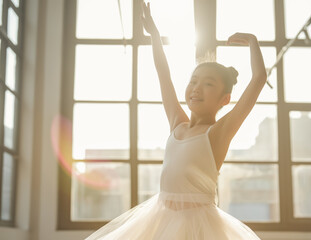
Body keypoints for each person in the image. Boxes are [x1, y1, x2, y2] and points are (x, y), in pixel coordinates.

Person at [85, 1, 267, 239]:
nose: (196, 88)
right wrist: (155, 36)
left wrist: (253, 41)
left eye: (208, 84)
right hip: (159, 219)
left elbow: (259, 78)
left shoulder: (217, 133)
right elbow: (163, 74)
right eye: (193, 81)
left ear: (225, 99)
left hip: (199, 227)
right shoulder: (177, 124)